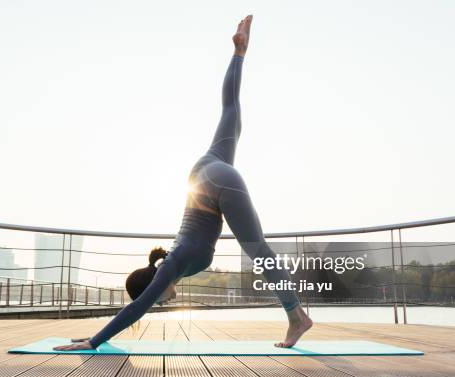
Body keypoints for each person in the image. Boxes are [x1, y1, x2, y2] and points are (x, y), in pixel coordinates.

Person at [54, 14, 312, 351]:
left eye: (156, 299)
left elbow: (136, 307)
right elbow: (139, 304)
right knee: (230, 111)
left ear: (154, 287)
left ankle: (297, 317)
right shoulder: (172, 259)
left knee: (259, 252)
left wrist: (94, 340)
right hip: (205, 170)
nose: (159, 302)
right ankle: (239, 52)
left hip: (214, 185)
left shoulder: (171, 267)